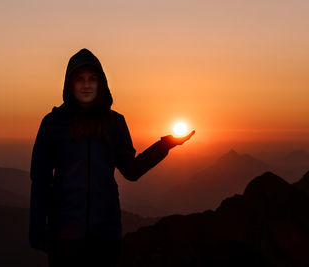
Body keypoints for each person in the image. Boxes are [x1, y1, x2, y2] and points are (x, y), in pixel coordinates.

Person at [29, 48, 195, 266]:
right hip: (65, 236)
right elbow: (40, 180)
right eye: (79, 79)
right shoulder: (53, 124)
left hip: (105, 235)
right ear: (70, 84)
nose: (86, 85)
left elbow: (131, 170)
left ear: (101, 84)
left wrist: (165, 145)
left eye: (92, 79)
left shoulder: (114, 123)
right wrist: (38, 232)